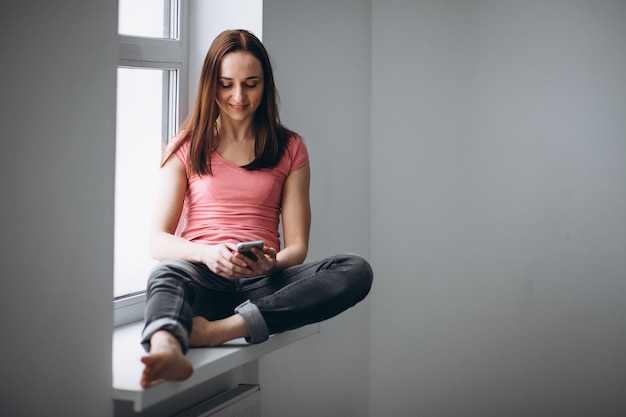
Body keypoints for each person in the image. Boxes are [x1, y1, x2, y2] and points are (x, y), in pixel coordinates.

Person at [139, 29, 373, 388]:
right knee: (166, 273)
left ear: (265, 85)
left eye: (250, 84)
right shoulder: (185, 146)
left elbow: (297, 247)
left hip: (263, 284)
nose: (238, 96)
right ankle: (167, 345)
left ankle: (217, 332)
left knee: (355, 269)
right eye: (226, 84)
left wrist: (273, 263)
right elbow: (158, 241)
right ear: (210, 85)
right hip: (203, 276)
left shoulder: (290, 147)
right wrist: (208, 254)